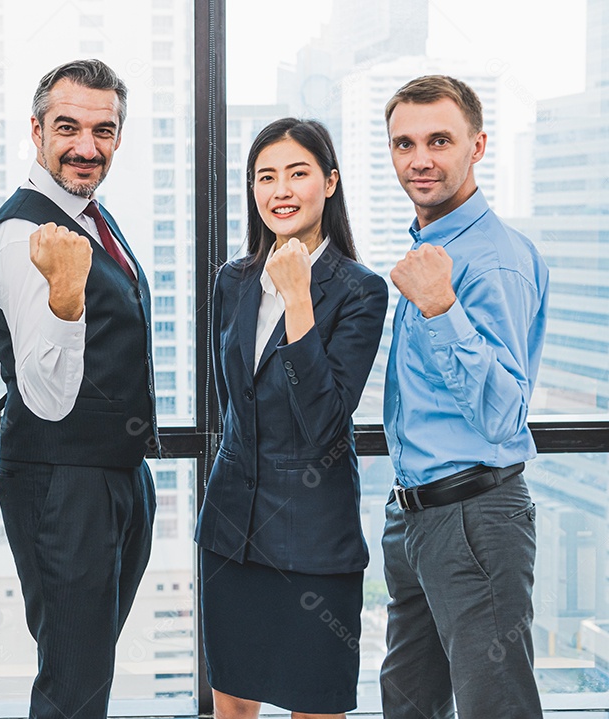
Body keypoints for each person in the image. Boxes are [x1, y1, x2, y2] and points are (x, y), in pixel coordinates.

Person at [0, 58, 158, 719]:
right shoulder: (20, 233)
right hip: (62, 481)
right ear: (36, 128)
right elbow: (47, 393)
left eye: (103, 129)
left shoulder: (89, 217)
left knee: (88, 668)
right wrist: (67, 297)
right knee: (72, 684)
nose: (87, 146)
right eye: (68, 126)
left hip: (115, 474)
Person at [196, 118, 388, 718]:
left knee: (315, 708)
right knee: (231, 706)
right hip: (231, 531)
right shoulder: (234, 280)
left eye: (298, 173)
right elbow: (234, 402)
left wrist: (299, 300)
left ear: (329, 183)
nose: (280, 189)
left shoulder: (360, 290)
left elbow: (324, 421)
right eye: (265, 176)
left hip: (313, 538)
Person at [379, 75, 549, 718]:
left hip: (474, 515)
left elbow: (504, 413)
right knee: (410, 705)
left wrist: (442, 306)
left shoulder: (489, 259)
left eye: (439, 140)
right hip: (419, 514)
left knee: (495, 707)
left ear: (477, 146)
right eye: (404, 143)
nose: (420, 159)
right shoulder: (432, 247)